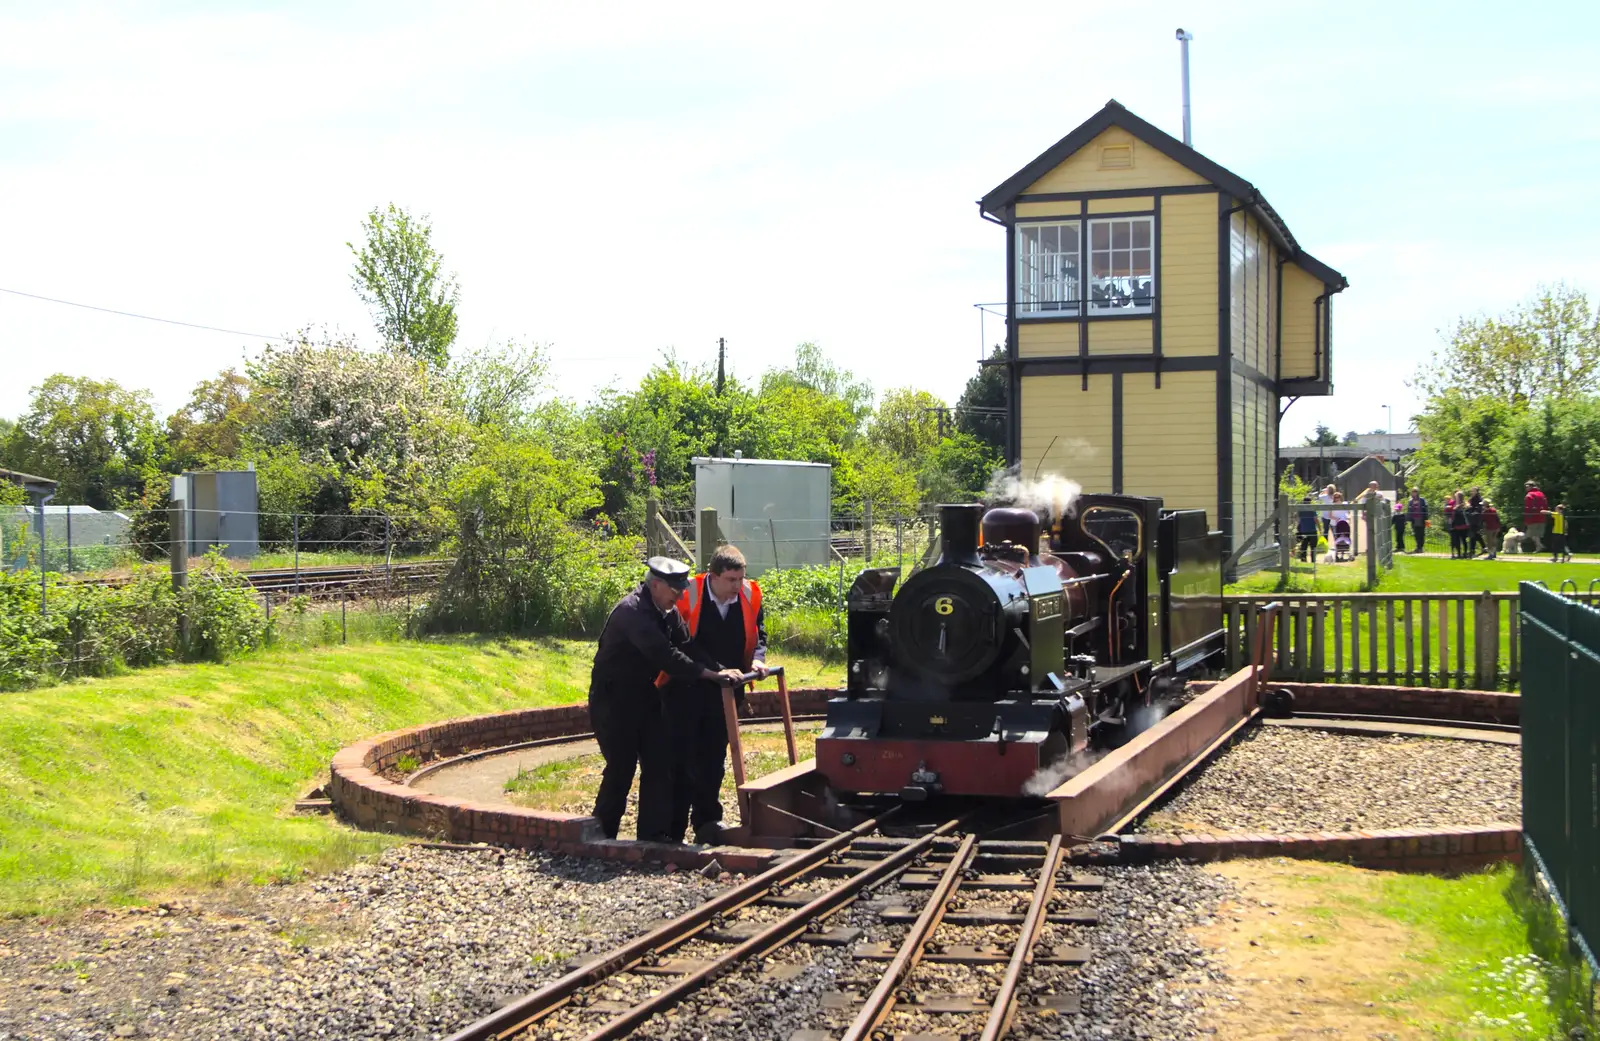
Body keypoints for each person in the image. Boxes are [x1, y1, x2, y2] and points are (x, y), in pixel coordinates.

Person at [588, 557, 745, 842]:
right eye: (675, 589)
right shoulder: (631, 612)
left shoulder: (668, 611)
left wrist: (719, 668)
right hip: (613, 699)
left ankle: (654, 836)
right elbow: (665, 655)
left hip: (645, 695)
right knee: (621, 767)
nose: (681, 594)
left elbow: (688, 646)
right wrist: (708, 674)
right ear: (656, 585)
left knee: (660, 764)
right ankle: (602, 835)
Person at [663, 545, 770, 846]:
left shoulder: (750, 594)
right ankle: (672, 829)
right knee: (683, 759)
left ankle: (707, 822)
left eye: (741, 578)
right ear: (714, 576)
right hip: (687, 690)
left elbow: (759, 632)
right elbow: (682, 643)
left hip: (726, 693)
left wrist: (757, 659)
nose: (739, 586)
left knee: (713, 758)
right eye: (732, 580)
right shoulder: (689, 594)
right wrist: (719, 669)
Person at [1524, 480, 1549, 554]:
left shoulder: (1529, 495)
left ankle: (1540, 546)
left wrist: (1527, 518)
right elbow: (1545, 505)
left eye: (1527, 487)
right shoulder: (1541, 494)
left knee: (1532, 534)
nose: (1526, 488)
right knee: (1537, 534)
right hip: (1542, 517)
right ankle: (1538, 547)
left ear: (1531, 486)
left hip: (1532, 517)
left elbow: (1528, 508)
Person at [1296, 496, 1319, 562]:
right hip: (1312, 530)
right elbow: (1316, 519)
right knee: (1313, 547)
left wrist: (1298, 528)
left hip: (1304, 531)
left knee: (1304, 547)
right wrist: (1320, 528)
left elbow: (1298, 520)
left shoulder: (1300, 510)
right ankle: (1313, 560)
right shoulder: (1312, 509)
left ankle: (1303, 560)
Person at [1407, 488, 1429, 553]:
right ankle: (1418, 547)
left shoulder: (1422, 500)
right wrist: (1408, 519)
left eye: (1415, 492)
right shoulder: (1410, 501)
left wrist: (1427, 520)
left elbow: (1426, 509)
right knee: (1416, 533)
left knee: (1421, 533)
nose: (1414, 493)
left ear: (1417, 492)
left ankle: (1420, 547)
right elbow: (1409, 510)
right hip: (1414, 519)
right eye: (1413, 492)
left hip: (1421, 518)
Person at [1449, 492, 1470, 559]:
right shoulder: (1457, 505)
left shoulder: (1463, 505)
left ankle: (1464, 553)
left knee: (1463, 540)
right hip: (1457, 525)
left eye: (1457, 496)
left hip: (1461, 525)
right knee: (1458, 540)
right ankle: (1459, 553)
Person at [1467, 488, 1485, 557]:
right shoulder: (1471, 499)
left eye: (1473, 491)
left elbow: (1479, 508)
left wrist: (1471, 509)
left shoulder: (1479, 499)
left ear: (1477, 492)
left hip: (1476, 519)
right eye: (1471, 491)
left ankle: (1474, 549)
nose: (1472, 492)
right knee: (1473, 535)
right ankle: (1473, 549)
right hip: (1471, 518)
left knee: (1474, 534)